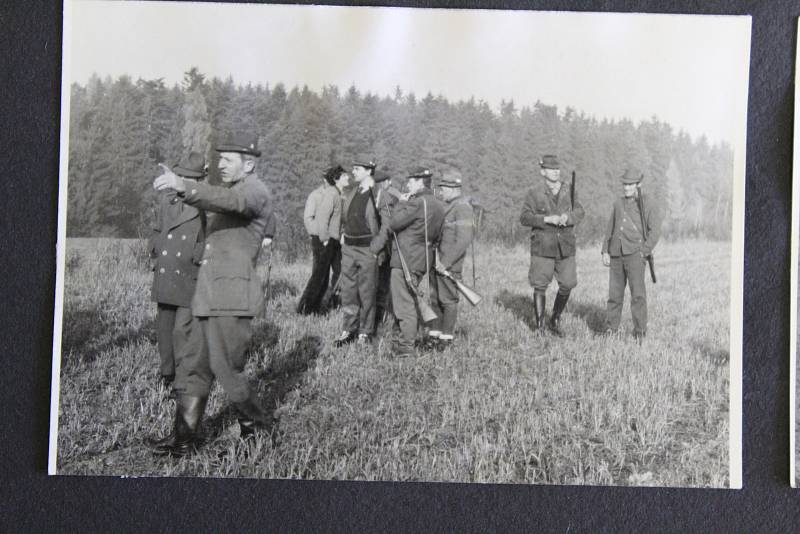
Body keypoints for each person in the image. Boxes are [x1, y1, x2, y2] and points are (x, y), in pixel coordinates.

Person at [149, 133, 273, 457]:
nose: (220, 165)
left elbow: (228, 201)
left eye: (227, 160)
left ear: (249, 164)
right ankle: (183, 439)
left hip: (231, 297)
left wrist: (183, 185)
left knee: (226, 368)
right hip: (207, 295)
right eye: (218, 160)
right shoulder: (231, 190)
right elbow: (220, 199)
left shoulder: (254, 191)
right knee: (193, 366)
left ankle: (257, 430)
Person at [148, 151, 206, 391]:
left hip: (189, 273)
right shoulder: (166, 201)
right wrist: (155, 249)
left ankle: (182, 380)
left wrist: (198, 255)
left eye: (191, 178)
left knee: (183, 330)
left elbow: (210, 238)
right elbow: (156, 228)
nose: (185, 181)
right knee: (164, 327)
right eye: (182, 176)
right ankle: (167, 373)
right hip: (167, 271)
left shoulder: (204, 205)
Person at [519, 154, 585, 337]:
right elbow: (524, 217)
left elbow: (580, 211)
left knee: (568, 283)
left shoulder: (569, 189)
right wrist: (546, 219)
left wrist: (568, 217)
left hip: (565, 245)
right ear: (543, 172)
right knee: (540, 285)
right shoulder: (534, 192)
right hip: (543, 246)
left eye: (557, 169)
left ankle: (555, 318)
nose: (555, 172)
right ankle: (540, 326)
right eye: (551, 169)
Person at [387, 167, 445, 357]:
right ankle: (400, 342)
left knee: (405, 304)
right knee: (411, 300)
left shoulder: (415, 203)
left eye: (411, 181)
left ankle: (405, 348)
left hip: (406, 259)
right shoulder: (438, 203)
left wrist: (401, 203)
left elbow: (393, 224)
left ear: (420, 182)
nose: (408, 184)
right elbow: (438, 235)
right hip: (424, 259)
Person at [601, 169, 663, 340]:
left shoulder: (648, 203)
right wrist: (605, 250)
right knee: (614, 295)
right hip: (616, 254)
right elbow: (610, 228)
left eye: (630, 184)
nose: (626, 188)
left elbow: (655, 231)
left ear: (638, 184)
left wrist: (644, 251)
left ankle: (640, 332)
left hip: (636, 255)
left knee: (638, 295)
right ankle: (611, 329)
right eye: (625, 184)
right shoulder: (618, 203)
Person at [334, 157, 389, 346]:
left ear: (368, 171)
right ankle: (348, 330)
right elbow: (345, 217)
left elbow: (386, 227)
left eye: (357, 169)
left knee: (367, 293)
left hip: (368, 250)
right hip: (349, 249)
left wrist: (376, 248)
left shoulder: (380, 194)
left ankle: (365, 332)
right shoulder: (352, 193)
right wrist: (343, 235)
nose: (353, 172)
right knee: (348, 292)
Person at [428, 170, 474, 349]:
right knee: (435, 299)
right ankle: (435, 335)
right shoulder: (450, 205)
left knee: (448, 300)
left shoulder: (462, 207)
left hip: (448, 264)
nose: (442, 191)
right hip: (438, 261)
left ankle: (446, 338)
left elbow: (463, 240)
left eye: (445, 188)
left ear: (454, 189)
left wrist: (445, 263)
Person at [296, 165, 347, 315]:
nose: (347, 178)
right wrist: (323, 238)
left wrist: (340, 234)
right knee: (320, 276)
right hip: (324, 240)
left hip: (334, 240)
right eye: (343, 176)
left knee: (338, 272)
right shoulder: (322, 195)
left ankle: (333, 304)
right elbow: (317, 218)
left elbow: (338, 220)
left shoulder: (339, 194)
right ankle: (307, 309)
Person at [372, 168, 399, 333]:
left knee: (382, 285)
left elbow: (386, 226)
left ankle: (378, 320)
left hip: (386, 247)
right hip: (388, 246)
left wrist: (375, 247)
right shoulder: (390, 193)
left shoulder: (386, 196)